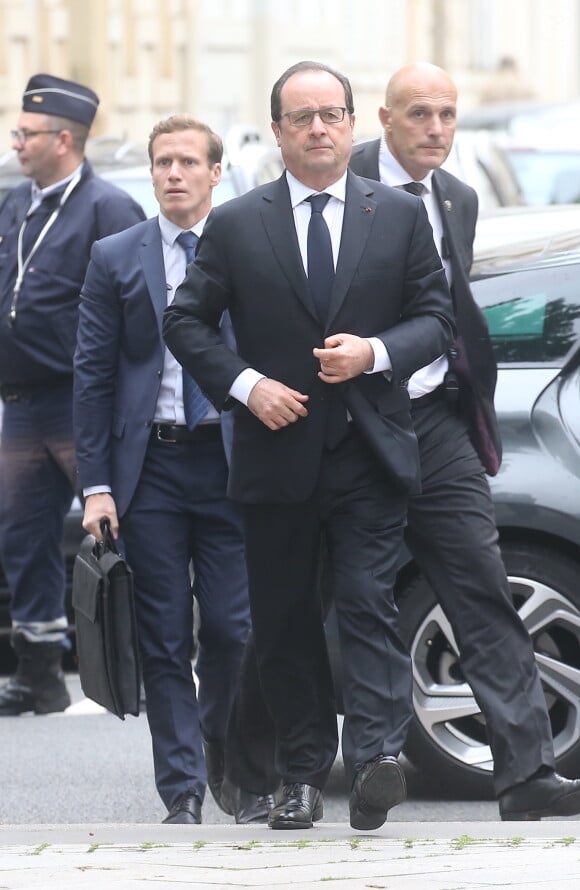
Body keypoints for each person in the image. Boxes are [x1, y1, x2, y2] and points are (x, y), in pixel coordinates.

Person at [220, 60, 580, 824]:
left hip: (434, 419)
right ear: (378, 119)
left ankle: (524, 773)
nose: (438, 131)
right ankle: (263, 767)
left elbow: (444, 310)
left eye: (449, 115)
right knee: (300, 601)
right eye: (421, 114)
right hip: (335, 429)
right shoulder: (328, 178)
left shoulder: (456, 195)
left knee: (478, 585)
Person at [163, 60, 455, 831]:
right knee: (286, 621)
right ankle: (299, 778)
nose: (319, 128)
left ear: (354, 124)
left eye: (331, 114)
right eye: (302, 118)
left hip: (369, 448)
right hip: (274, 451)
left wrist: (376, 352)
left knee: (366, 603)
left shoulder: (394, 215)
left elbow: (437, 319)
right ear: (280, 132)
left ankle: (376, 760)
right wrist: (245, 384)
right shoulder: (235, 223)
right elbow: (185, 322)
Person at [72, 114, 270, 825]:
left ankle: (222, 752)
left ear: (217, 172)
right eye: (163, 163)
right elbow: (91, 375)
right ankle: (181, 790)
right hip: (149, 468)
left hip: (230, 463)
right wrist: (96, 485)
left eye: (188, 162)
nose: (174, 174)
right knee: (161, 635)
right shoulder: (115, 256)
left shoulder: (250, 246)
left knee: (230, 630)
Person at [0, 74, 145, 717]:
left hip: (80, 402)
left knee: (116, 528)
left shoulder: (108, 208)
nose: (16, 143)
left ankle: (133, 659)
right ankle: (39, 671)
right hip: (23, 402)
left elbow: (136, 310)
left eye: (26, 135)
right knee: (23, 535)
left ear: (63, 139)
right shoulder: (14, 203)